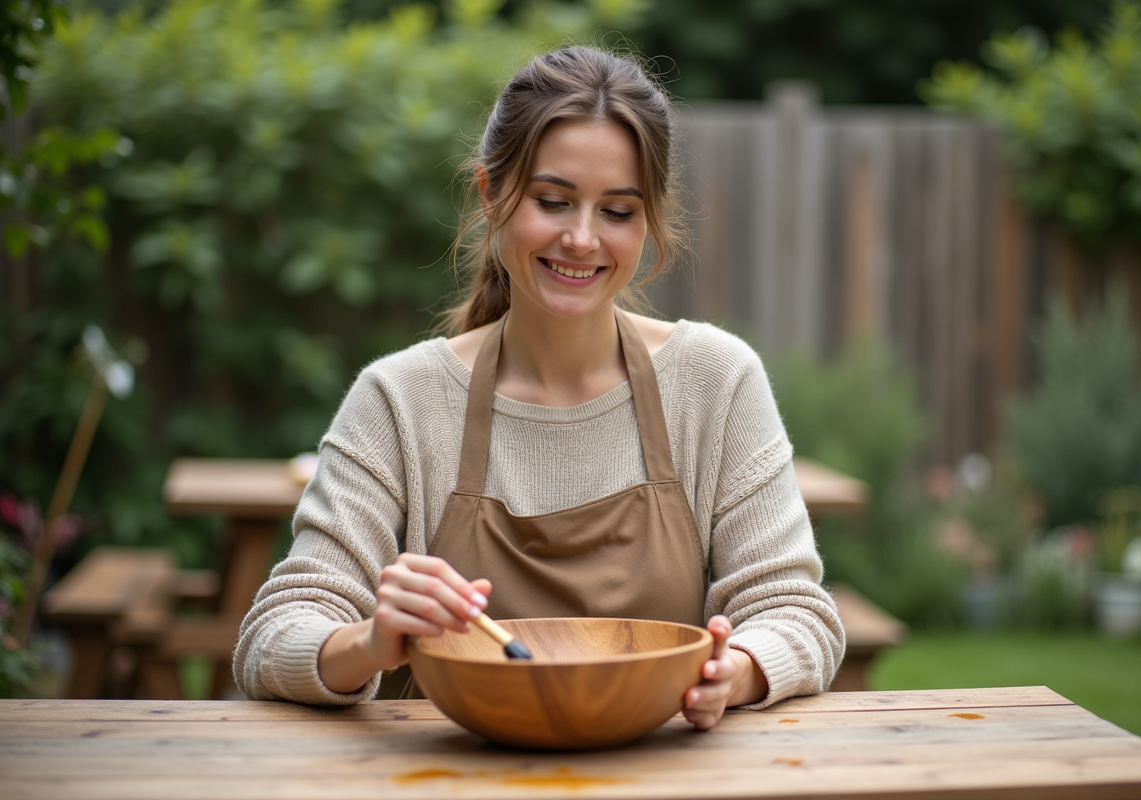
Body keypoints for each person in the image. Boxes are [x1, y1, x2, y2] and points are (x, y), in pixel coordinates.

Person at [233, 45, 844, 729]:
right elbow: (272, 636)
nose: (582, 238)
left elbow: (796, 612)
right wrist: (370, 640)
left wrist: (734, 672)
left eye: (617, 211)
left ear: (648, 222)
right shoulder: (399, 401)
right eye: (552, 201)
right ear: (491, 194)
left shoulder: (716, 383)